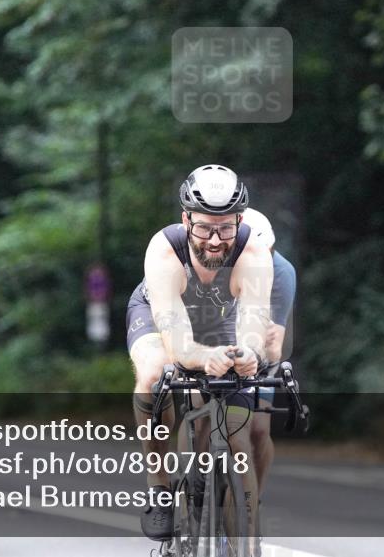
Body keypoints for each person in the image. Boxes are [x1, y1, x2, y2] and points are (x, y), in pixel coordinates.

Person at [126, 164, 272, 544]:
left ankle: (211, 499)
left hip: (219, 318)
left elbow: (254, 322)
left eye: (225, 227)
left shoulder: (253, 252)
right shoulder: (165, 250)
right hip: (163, 317)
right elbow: (177, 343)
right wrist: (202, 357)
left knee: (226, 391)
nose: (214, 239)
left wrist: (248, 354)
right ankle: (159, 488)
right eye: (204, 226)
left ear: (240, 220)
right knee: (157, 373)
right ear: (185, 218)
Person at [239, 208, 297, 498]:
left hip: (260, 350)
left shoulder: (282, 272)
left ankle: (252, 505)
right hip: (219, 342)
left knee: (258, 428)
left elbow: (274, 347)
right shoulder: (218, 265)